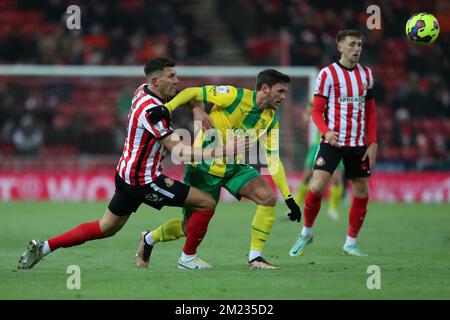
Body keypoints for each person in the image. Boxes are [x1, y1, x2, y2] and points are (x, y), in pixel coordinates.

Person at [18, 57, 245, 269]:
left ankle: (44, 247)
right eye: (172, 76)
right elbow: (181, 153)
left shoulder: (143, 90)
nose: (177, 80)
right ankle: (188, 259)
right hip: (145, 181)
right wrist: (225, 150)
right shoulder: (153, 111)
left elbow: (184, 96)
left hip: (126, 173)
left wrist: (196, 106)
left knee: (105, 227)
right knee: (206, 202)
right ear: (156, 80)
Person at [135, 69, 302, 270]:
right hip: (204, 166)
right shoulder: (233, 96)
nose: (284, 97)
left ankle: (255, 258)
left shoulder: (270, 119)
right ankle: (150, 237)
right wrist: (168, 108)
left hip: (234, 167)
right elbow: (193, 92)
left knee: (268, 197)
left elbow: (273, 160)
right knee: (188, 228)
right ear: (265, 88)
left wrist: (289, 198)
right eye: (281, 91)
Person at [289, 29, 378, 257]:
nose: (356, 49)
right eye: (351, 44)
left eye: (359, 44)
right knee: (317, 186)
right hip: (333, 142)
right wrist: (326, 131)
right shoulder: (327, 75)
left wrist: (373, 142)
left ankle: (350, 243)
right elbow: (317, 112)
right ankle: (306, 233)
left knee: (361, 191)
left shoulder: (367, 74)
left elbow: (371, 112)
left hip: (358, 144)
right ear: (340, 47)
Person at [294, 98, 345, 221]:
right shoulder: (319, 101)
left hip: (338, 145)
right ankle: (295, 207)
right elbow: (307, 114)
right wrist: (307, 113)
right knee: (306, 176)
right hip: (319, 145)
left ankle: (333, 209)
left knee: (337, 177)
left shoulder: (341, 103)